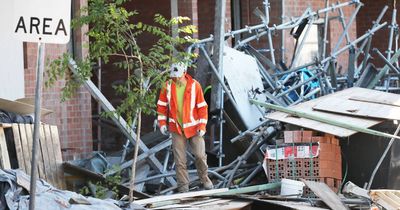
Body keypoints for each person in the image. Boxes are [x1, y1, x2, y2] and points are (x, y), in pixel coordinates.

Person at [157, 62, 213, 193]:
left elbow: (202, 107)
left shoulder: (195, 86)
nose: (175, 79)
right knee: (180, 160)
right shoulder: (167, 86)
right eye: (173, 76)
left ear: (184, 73)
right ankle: (183, 187)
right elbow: (162, 106)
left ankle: (205, 179)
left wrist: (202, 125)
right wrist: (162, 124)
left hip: (195, 128)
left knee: (200, 156)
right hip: (176, 129)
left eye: (177, 76)